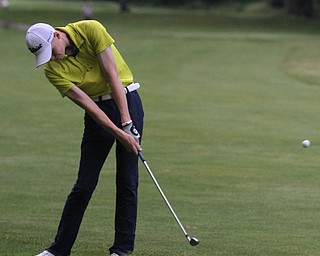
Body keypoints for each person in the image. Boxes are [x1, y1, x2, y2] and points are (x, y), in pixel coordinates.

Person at [25, 20, 144, 256]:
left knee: (127, 180)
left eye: (50, 52)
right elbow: (88, 105)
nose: (50, 58)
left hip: (126, 100)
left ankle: (121, 250)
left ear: (57, 35)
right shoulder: (52, 69)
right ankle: (58, 250)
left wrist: (127, 122)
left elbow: (112, 75)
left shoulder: (90, 29)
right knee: (84, 184)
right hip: (98, 114)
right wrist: (119, 133)